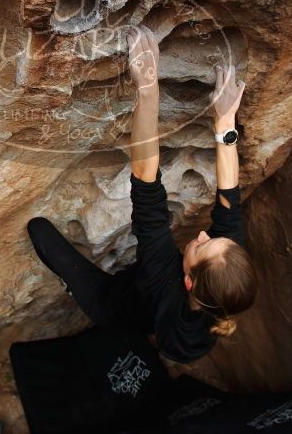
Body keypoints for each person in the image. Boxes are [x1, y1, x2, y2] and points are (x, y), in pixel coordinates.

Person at [26, 26, 258, 363]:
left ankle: (74, 288)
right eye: (217, 239)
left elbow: (146, 182)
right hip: (158, 310)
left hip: (114, 305)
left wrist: (148, 90)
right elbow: (229, 196)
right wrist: (225, 123)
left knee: (39, 230)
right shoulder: (222, 280)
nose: (206, 234)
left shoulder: (162, 277)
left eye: (203, 245)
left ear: (189, 282)